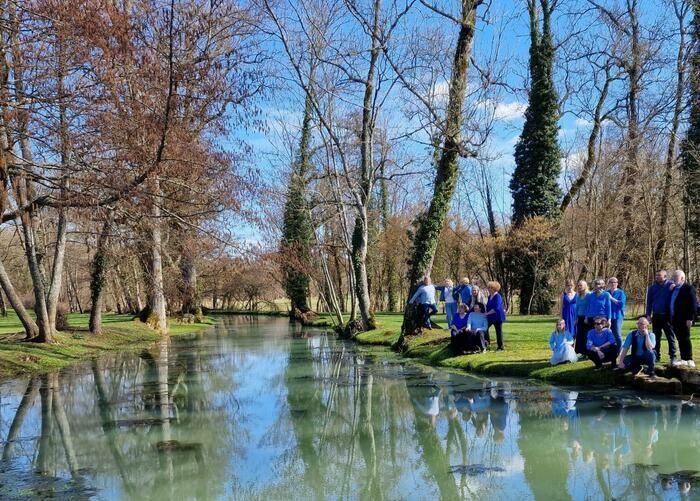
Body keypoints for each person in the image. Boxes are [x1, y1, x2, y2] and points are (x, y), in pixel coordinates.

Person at [646, 270, 677, 364]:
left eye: (659, 275)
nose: (657, 277)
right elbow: (649, 302)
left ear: (665, 276)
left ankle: (673, 357)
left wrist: (674, 286)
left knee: (670, 337)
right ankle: (656, 356)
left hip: (667, 316)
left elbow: (680, 288)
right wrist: (648, 315)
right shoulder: (652, 288)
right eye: (656, 275)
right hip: (656, 316)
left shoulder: (671, 285)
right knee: (656, 338)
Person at [670, 269, 698, 368]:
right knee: (680, 339)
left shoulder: (688, 288)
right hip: (675, 318)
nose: (673, 279)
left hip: (685, 319)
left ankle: (689, 359)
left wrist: (690, 318)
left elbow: (693, 304)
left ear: (682, 278)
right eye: (673, 277)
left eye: (675, 277)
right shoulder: (673, 289)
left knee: (685, 338)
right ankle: (683, 359)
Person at [485, 281, 506, 351]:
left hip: (497, 316)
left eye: (491, 288)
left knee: (498, 331)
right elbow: (488, 306)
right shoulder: (489, 297)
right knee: (485, 328)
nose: (489, 289)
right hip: (490, 317)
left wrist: (487, 313)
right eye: (489, 288)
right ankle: (486, 343)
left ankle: (501, 347)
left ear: (495, 288)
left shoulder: (498, 296)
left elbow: (496, 308)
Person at [607, 277, 627, 348]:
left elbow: (621, 304)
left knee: (617, 335)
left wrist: (611, 298)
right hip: (607, 317)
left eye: (614, 282)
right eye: (611, 282)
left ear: (617, 283)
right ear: (609, 283)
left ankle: (620, 351)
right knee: (608, 335)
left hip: (617, 317)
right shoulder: (607, 292)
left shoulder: (621, 293)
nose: (613, 284)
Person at [575, 280, 590, 354]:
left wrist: (586, 317)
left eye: (581, 285)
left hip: (586, 318)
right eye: (578, 285)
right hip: (579, 318)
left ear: (585, 286)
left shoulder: (589, 295)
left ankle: (586, 352)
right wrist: (576, 318)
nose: (579, 287)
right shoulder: (578, 295)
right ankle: (580, 352)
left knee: (585, 336)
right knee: (579, 335)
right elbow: (576, 308)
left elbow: (589, 307)